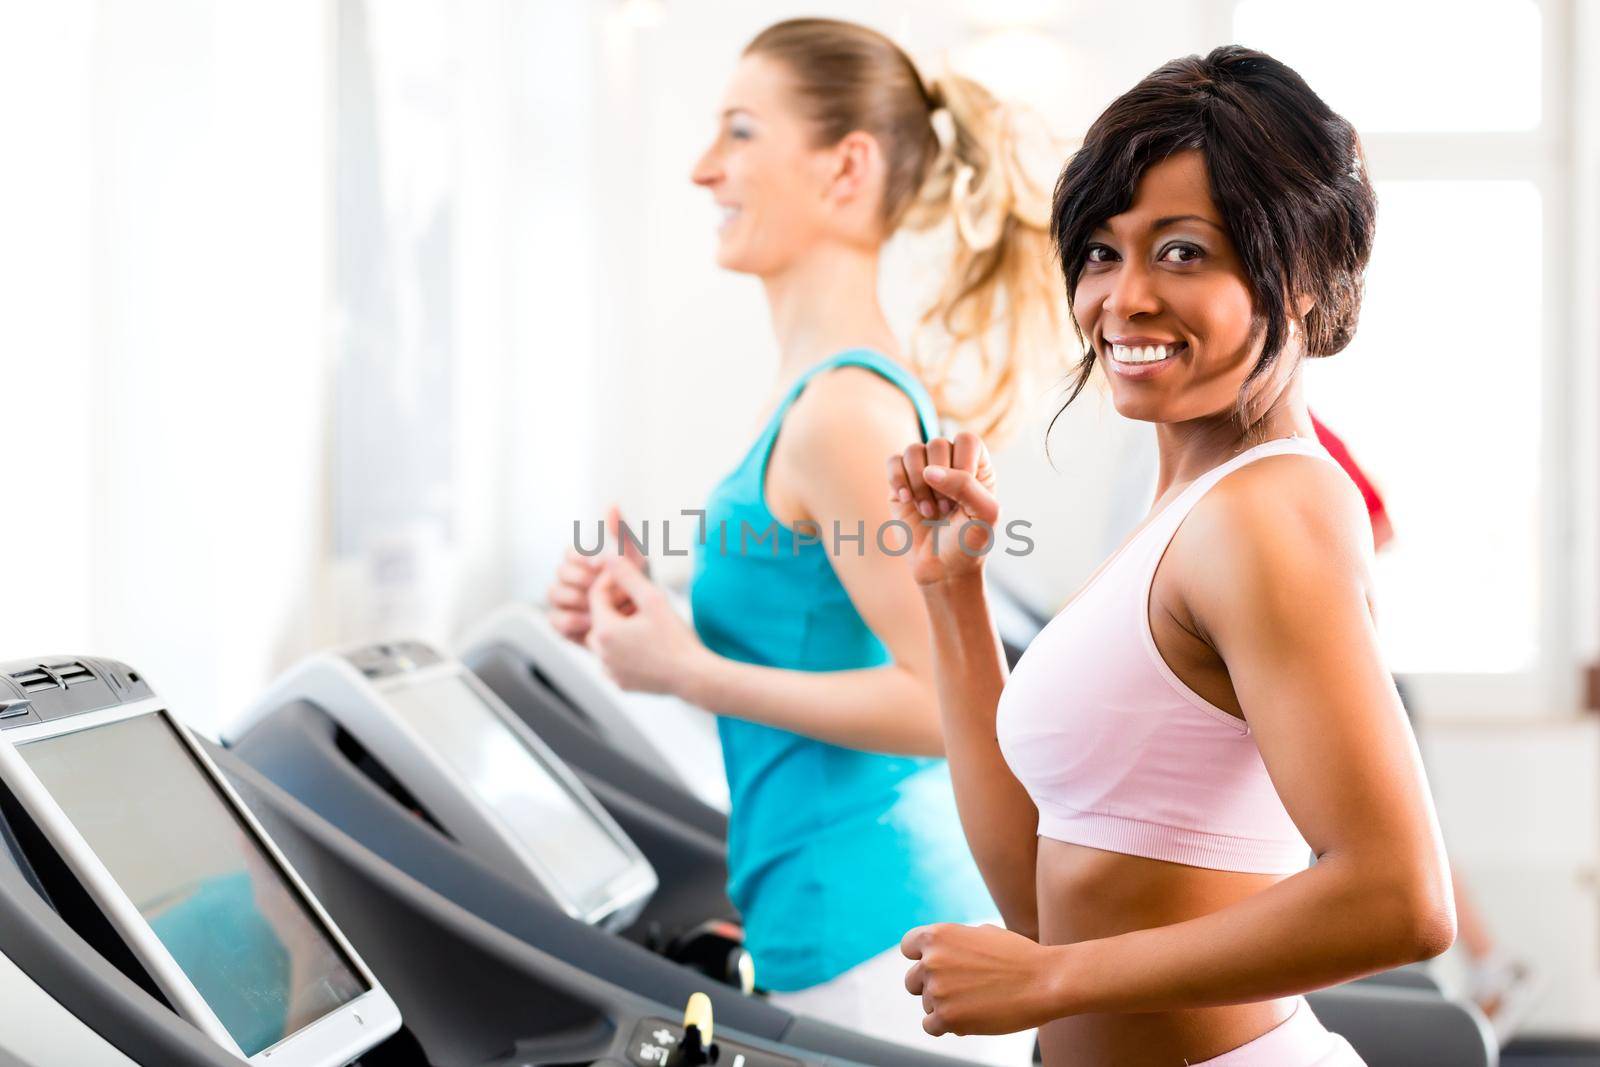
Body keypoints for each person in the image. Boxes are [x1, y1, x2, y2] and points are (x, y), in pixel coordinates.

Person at [888, 47, 1456, 1066]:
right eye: (1100, 252)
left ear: (1302, 272)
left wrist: (1053, 979)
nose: (1125, 297)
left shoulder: (1267, 509)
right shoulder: (1185, 510)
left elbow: (1400, 899)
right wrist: (951, 591)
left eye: (1183, 252)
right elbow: (1035, 890)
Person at [545, 18, 1061, 1062]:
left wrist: (687, 669)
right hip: (845, 920)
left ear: (846, 168)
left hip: (878, 935)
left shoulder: (841, 414)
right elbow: (822, 629)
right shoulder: (822, 397)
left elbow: (938, 706)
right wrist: (660, 617)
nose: (702, 169)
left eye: (738, 132)